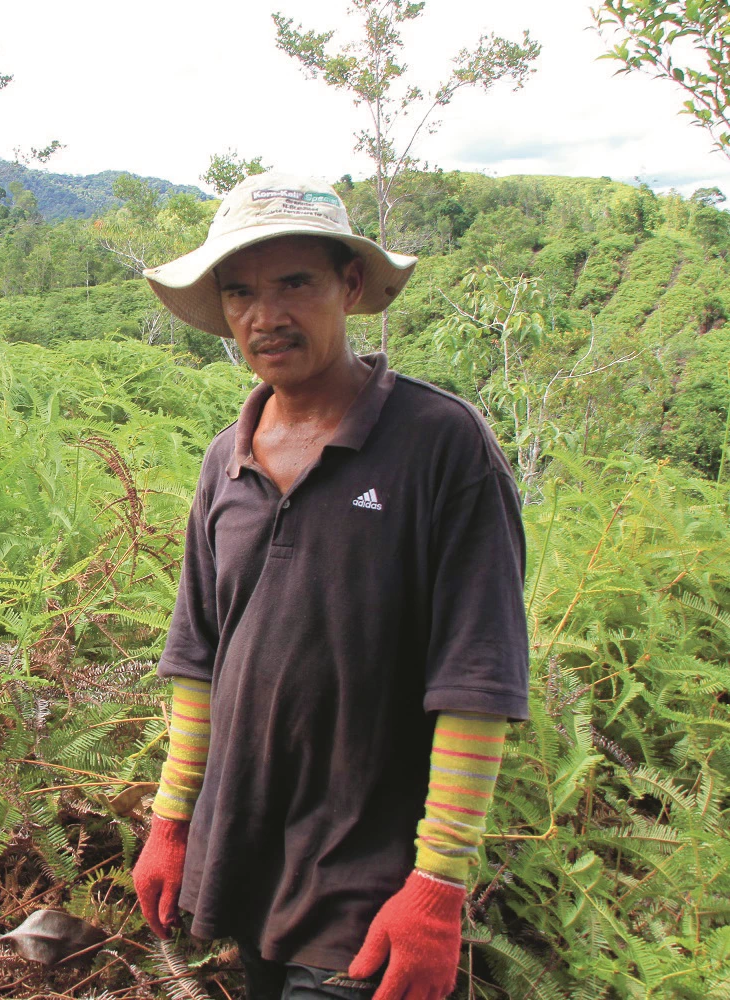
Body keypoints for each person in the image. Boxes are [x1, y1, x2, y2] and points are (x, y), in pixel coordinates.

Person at [130, 173, 530, 1000]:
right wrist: (172, 820)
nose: (263, 316)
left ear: (351, 286)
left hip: (371, 892)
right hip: (249, 873)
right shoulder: (225, 460)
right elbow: (200, 659)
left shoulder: (439, 444)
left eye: (295, 285)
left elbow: (477, 677)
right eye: (239, 292)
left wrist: (437, 886)